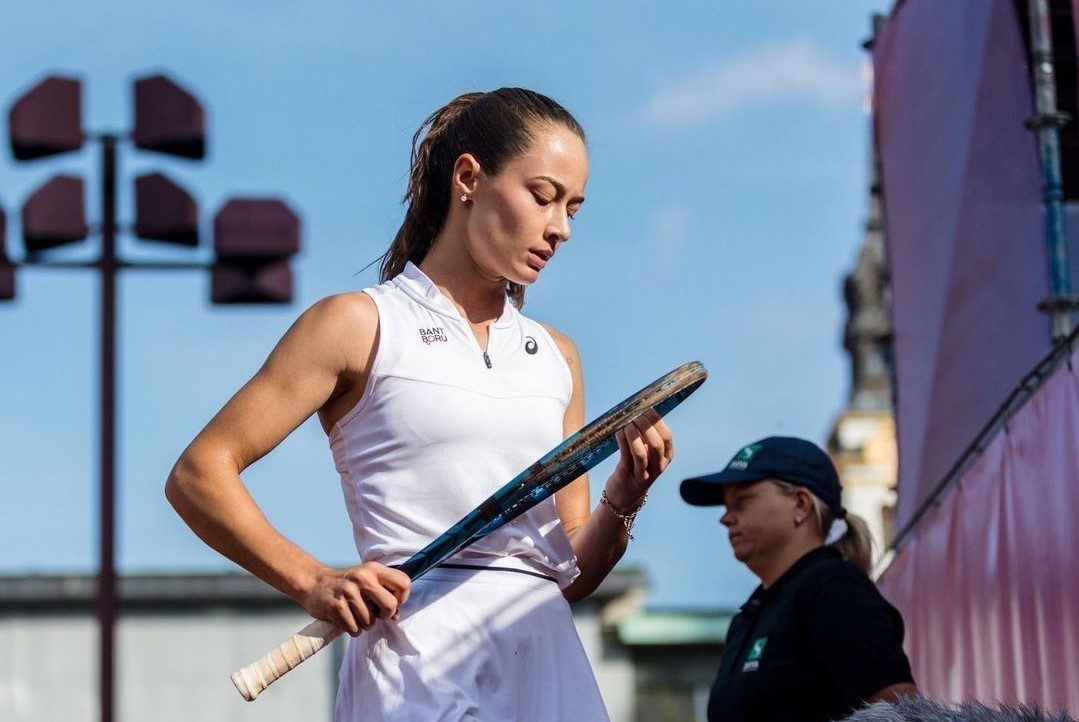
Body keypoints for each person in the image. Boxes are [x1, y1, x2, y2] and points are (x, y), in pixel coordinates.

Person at [165, 88, 674, 721]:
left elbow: (570, 573)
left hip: (545, 663)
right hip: (417, 667)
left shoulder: (557, 355)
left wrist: (626, 494)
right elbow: (198, 473)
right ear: (468, 178)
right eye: (542, 196)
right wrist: (313, 580)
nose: (560, 228)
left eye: (573, 208)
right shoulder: (357, 324)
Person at [679, 436, 917, 722]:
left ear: (801, 505)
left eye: (742, 502)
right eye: (726, 506)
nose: (726, 518)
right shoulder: (748, 619)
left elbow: (898, 711)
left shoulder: (833, 589)